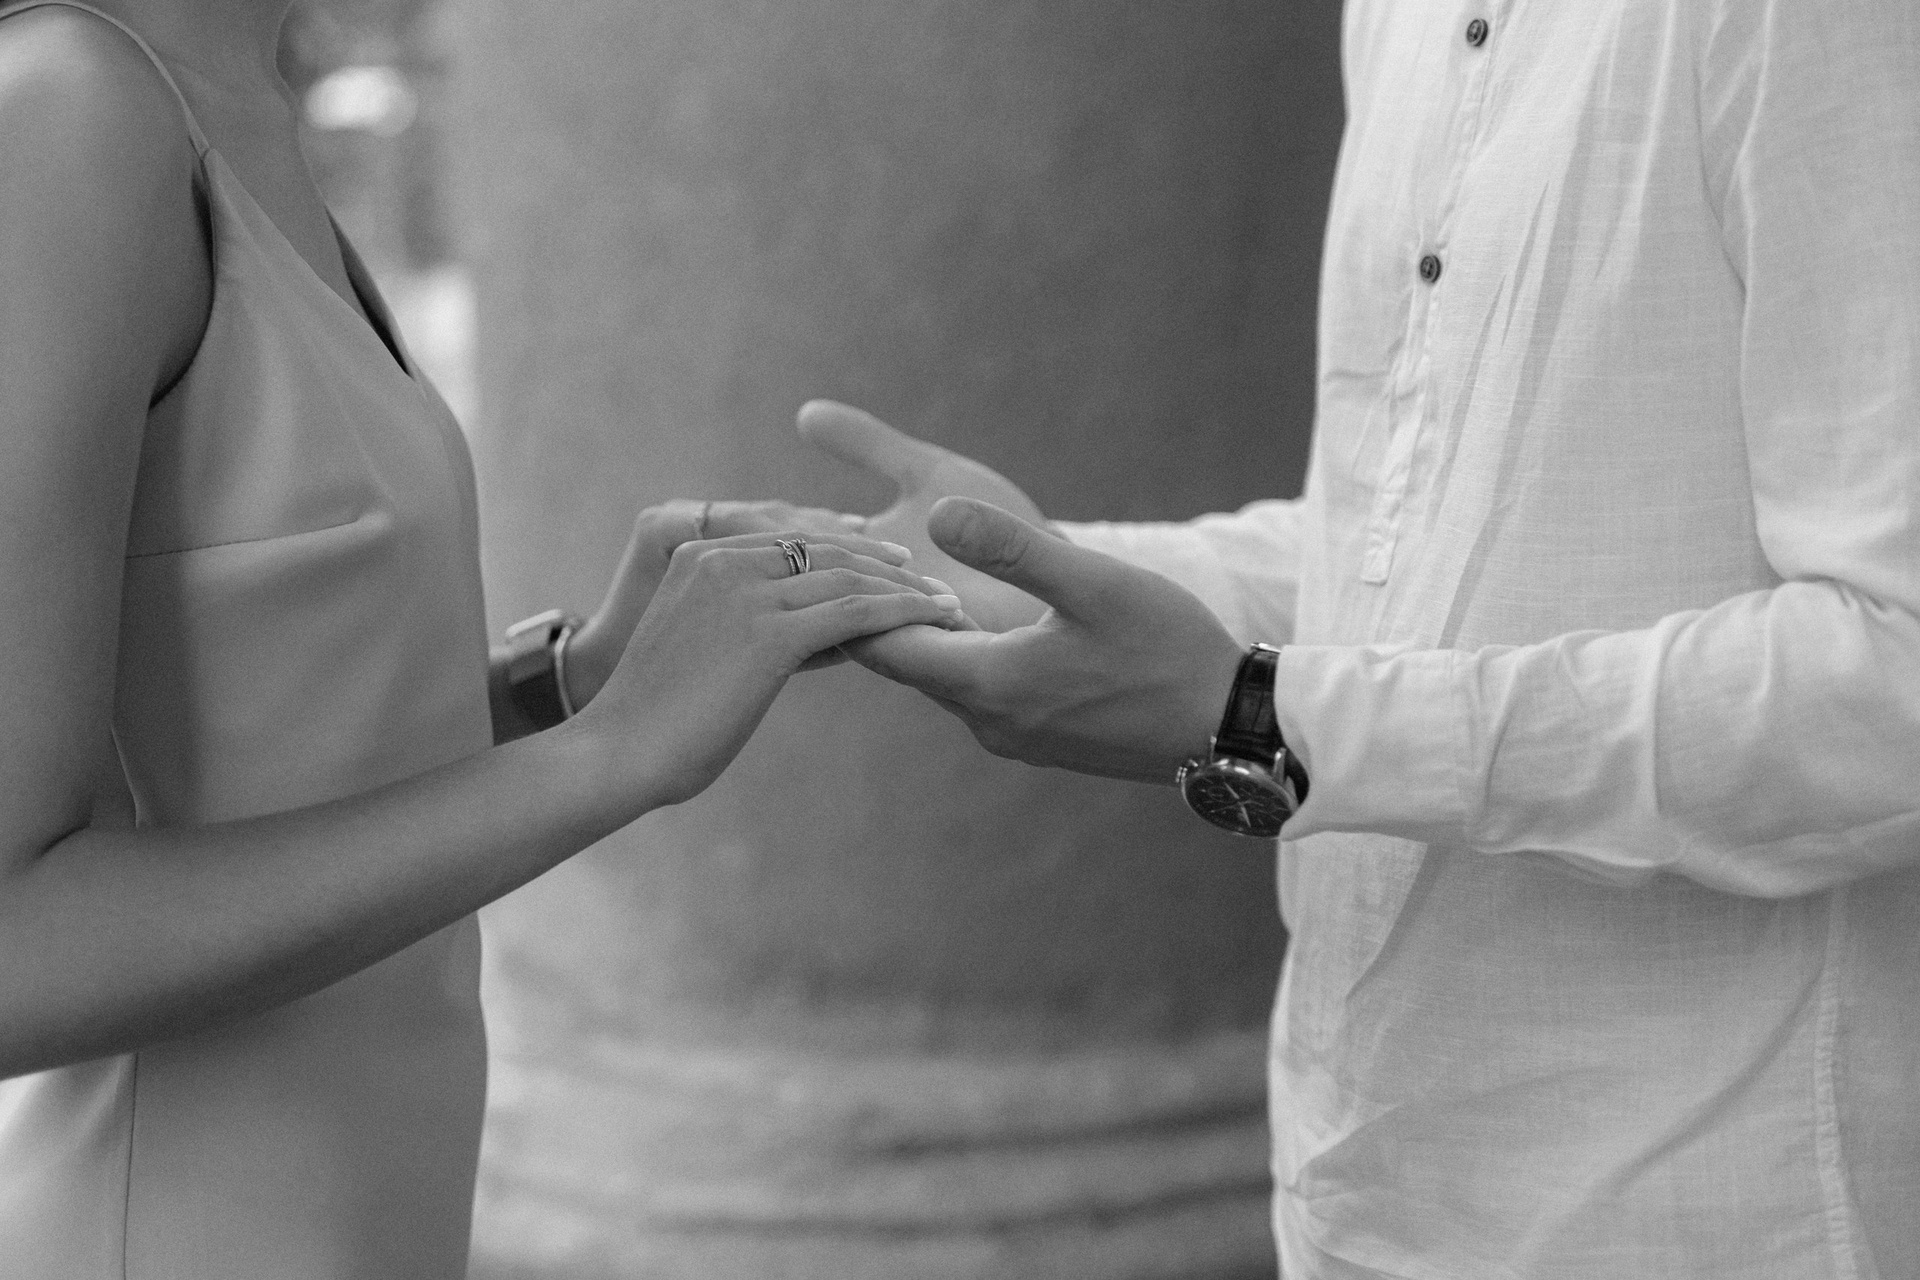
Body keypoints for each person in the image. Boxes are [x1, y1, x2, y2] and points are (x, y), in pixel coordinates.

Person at [798, 0, 1920, 1274]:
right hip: (1356, 1180)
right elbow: (1400, 544)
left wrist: (1268, 722)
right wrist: (1051, 573)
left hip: (1702, 1211)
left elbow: (1895, 676)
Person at [0, 2, 966, 1275]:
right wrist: (609, 755)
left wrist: (564, 682)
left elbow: (248, 748)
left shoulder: (233, 95)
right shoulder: (67, 110)